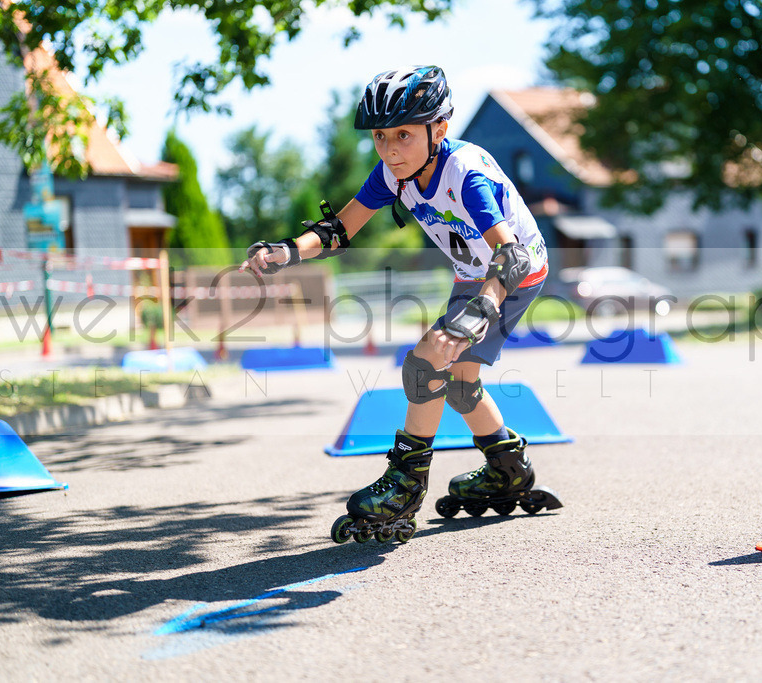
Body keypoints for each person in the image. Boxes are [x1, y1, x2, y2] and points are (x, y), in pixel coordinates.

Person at [240, 66, 562, 544]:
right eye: (380, 137)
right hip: (474, 274)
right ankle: (509, 469)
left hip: (513, 273)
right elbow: (340, 230)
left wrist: (482, 308)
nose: (390, 149)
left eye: (404, 135)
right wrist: (286, 251)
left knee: (427, 360)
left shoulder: (465, 175)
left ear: (440, 129)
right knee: (459, 386)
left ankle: (405, 486)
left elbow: (510, 256)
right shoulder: (395, 173)